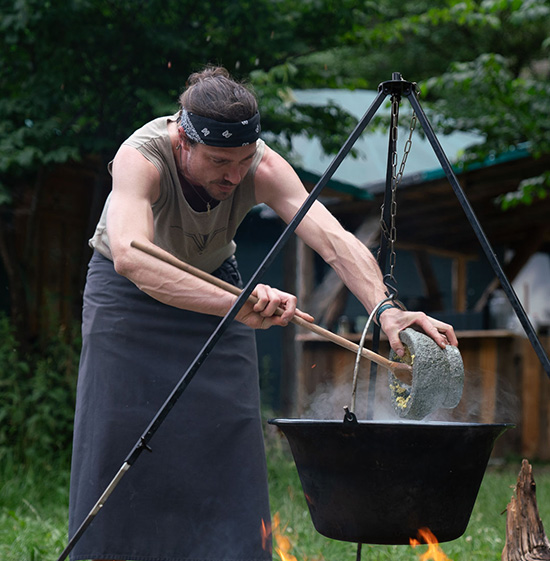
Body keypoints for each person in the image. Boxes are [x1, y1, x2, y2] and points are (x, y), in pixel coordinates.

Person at [68, 65, 457, 561]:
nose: (234, 175)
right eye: (218, 161)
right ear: (183, 141)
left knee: (227, 434)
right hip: (129, 304)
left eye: (243, 159)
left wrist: (386, 310)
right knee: (116, 432)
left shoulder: (261, 167)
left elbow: (333, 239)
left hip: (222, 290)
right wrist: (236, 306)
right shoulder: (140, 157)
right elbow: (130, 254)